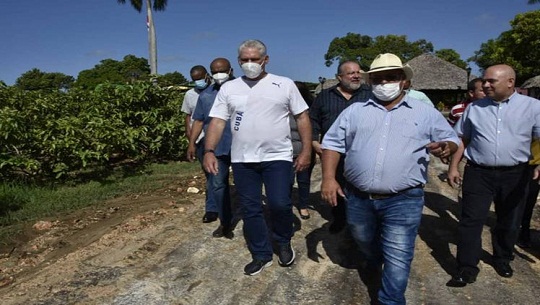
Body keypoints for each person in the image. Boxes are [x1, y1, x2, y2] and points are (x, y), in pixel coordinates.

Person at [320, 53, 459, 305]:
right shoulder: (354, 111)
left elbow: (451, 139)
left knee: (398, 253)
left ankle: (391, 300)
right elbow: (332, 144)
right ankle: (372, 260)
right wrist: (329, 178)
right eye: (378, 79)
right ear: (370, 81)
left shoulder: (425, 112)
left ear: (403, 80)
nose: (384, 83)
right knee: (364, 240)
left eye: (391, 77)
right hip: (358, 197)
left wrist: (447, 147)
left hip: (404, 199)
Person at [203, 39, 312, 276]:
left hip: (278, 157)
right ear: (238, 61)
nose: (250, 64)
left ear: (266, 60)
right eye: (245, 60)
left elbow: (302, 117)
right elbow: (218, 121)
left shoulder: (283, 84)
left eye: (255, 59)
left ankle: (283, 241)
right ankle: (261, 254)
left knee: (280, 203)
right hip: (243, 160)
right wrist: (209, 150)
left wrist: (306, 150)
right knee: (251, 208)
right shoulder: (230, 89)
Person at [447, 64, 540, 287]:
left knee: (509, 221)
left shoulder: (533, 107)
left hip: (516, 174)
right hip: (479, 173)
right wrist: (453, 166)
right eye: (484, 81)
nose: (485, 85)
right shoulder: (474, 108)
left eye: (491, 81)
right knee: (471, 221)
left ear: (510, 82)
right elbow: (462, 138)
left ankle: (502, 258)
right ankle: (466, 267)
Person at [310, 60, 372, 234]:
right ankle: (339, 217)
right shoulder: (325, 96)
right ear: (339, 77)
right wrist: (315, 142)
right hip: (332, 152)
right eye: (351, 73)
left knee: (361, 187)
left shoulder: (370, 94)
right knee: (335, 185)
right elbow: (313, 120)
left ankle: (362, 220)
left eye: (358, 72)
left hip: (362, 152)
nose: (356, 76)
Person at [187, 58, 235, 239]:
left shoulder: (242, 90)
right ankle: (225, 223)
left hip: (242, 147)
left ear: (230, 70)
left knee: (246, 187)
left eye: (221, 70)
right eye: (214, 72)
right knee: (217, 185)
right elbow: (198, 120)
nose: (218, 75)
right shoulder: (206, 95)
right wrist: (192, 143)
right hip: (216, 148)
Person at [181, 65, 218, 223]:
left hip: (218, 138)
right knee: (209, 174)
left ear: (207, 76)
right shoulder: (190, 95)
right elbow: (188, 116)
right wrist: (190, 138)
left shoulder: (217, 91)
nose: (198, 82)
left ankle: (219, 206)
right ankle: (212, 208)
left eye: (200, 79)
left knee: (217, 176)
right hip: (200, 138)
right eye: (195, 80)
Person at [290, 81, 315, 220]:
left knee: (303, 180)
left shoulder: (310, 110)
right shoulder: (283, 108)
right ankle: (286, 204)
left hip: (304, 150)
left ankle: (303, 205)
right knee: (286, 181)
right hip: (285, 151)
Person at [517, 140, 540, 248]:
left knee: (529, 201)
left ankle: (524, 232)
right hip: (517, 164)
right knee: (516, 199)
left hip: (536, 166)